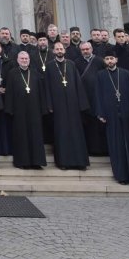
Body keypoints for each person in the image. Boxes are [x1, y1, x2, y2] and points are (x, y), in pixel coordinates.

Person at [44, 41, 91, 170]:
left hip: (73, 104)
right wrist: (49, 104)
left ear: (64, 51)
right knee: (62, 133)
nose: (59, 51)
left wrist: (82, 104)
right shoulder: (49, 66)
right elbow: (46, 87)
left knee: (77, 133)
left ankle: (80, 162)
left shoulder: (71, 64)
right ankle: (63, 162)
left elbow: (78, 84)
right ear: (53, 51)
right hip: (58, 105)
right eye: (57, 49)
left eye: (61, 49)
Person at [95, 54, 129, 185]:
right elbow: (98, 94)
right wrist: (101, 113)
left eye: (112, 58)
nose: (110, 61)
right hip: (111, 115)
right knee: (116, 146)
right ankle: (122, 176)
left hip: (127, 114)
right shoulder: (101, 75)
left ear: (116, 59)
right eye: (107, 59)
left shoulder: (125, 74)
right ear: (104, 61)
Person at [3, 50, 46, 170]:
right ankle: (23, 161)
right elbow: (9, 92)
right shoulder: (12, 73)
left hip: (35, 110)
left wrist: (43, 108)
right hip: (19, 111)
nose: (24, 60)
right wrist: (9, 109)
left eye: (26, 58)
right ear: (17, 60)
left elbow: (41, 92)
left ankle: (37, 162)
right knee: (21, 136)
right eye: (22, 59)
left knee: (35, 135)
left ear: (29, 60)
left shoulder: (35, 73)